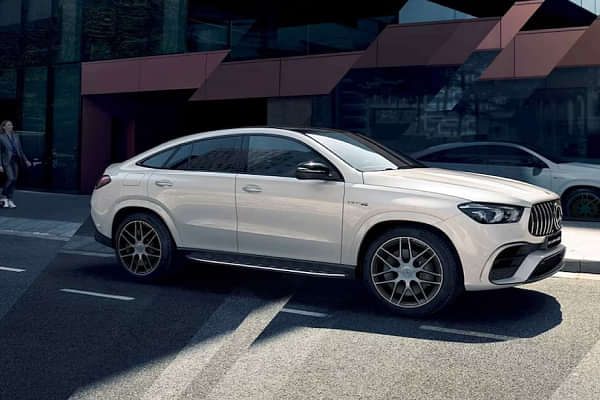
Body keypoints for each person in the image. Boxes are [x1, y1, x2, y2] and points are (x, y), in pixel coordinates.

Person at [0, 120, 32, 208]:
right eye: (9, 125)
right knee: (10, 178)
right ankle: (3, 196)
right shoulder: (1, 137)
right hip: (6, 161)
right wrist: (0, 165)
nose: (11, 126)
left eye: (11, 125)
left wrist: (26, 160)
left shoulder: (16, 136)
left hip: (15, 160)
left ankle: (9, 199)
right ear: (4, 127)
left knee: (14, 180)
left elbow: (20, 150)